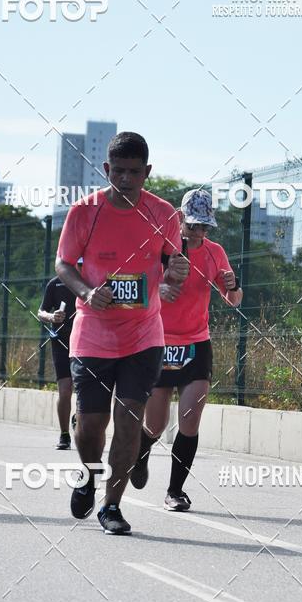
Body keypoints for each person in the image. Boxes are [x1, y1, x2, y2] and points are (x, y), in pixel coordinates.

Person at [56, 132, 189, 534]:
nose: (127, 179)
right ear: (106, 170)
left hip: (143, 335)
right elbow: (64, 264)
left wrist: (175, 275)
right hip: (93, 333)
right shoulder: (84, 211)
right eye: (119, 172)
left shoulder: (164, 213)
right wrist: (86, 292)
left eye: (135, 172)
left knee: (129, 419)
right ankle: (88, 474)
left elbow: (173, 264)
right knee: (92, 425)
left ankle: (112, 505)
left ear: (147, 172)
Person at [130, 188, 242, 510]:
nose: (199, 232)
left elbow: (233, 301)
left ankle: (174, 491)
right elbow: (137, 288)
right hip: (159, 342)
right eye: (194, 225)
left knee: (190, 419)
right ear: (180, 220)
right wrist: (159, 287)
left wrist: (233, 286)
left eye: (205, 227)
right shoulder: (161, 248)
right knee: (155, 424)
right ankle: (141, 449)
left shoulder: (214, 252)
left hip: (196, 343)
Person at [38, 275, 76, 449]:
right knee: (65, 389)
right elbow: (41, 312)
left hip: (85, 339)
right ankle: (64, 434)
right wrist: (52, 317)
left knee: (86, 388)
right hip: (60, 340)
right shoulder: (55, 283)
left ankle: (80, 418)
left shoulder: (90, 278)